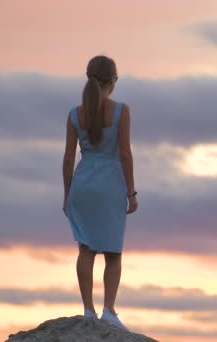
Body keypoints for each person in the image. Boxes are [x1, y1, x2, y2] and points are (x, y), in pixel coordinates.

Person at [62, 55, 138, 330]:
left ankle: (87, 309)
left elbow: (69, 159)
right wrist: (131, 192)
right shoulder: (121, 111)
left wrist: (67, 193)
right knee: (113, 252)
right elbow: (126, 155)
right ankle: (109, 310)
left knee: (86, 248)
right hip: (110, 184)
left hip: (83, 184)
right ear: (112, 81)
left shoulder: (74, 114)